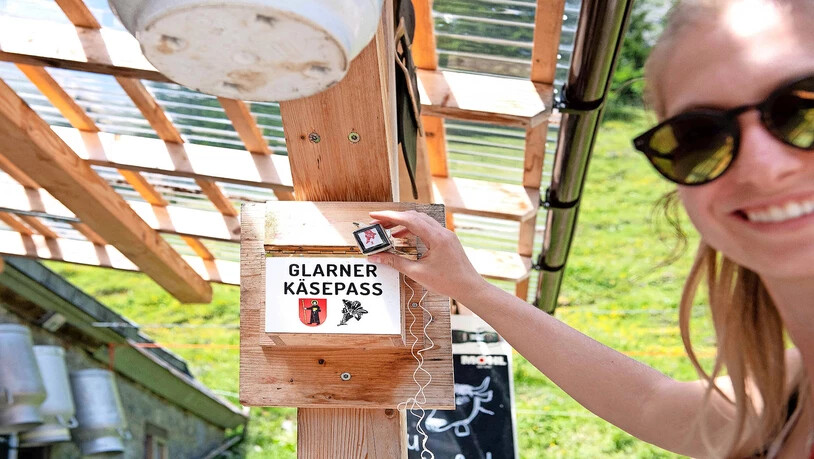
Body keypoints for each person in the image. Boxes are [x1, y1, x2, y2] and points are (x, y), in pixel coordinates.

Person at [367, 0, 814, 457]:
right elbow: (647, 403)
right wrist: (470, 288)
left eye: (804, 108)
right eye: (697, 136)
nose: (762, 167)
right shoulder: (788, 399)